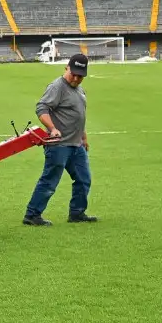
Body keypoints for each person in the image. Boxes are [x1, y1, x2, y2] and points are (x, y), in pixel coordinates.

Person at [24, 53, 94, 226]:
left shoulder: (79, 89)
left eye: (80, 76)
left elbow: (78, 115)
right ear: (66, 68)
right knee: (50, 181)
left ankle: (77, 213)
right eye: (73, 74)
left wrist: (83, 136)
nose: (76, 79)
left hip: (76, 144)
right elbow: (41, 108)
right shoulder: (57, 87)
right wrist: (53, 128)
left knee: (84, 179)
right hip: (59, 145)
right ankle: (32, 215)